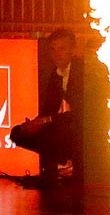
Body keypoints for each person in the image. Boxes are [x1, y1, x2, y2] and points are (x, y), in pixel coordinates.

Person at [11, 28, 84, 183]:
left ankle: (68, 167)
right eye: (53, 49)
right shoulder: (56, 74)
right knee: (18, 133)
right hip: (63, 123)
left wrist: (46, 121)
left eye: (62, 49)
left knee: (56, 131)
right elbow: (48, 109)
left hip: (84, 127)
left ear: (73, 49)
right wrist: (33, 124)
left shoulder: (81, 71)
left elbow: (80, 114)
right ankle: (52, 171)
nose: (56, 54)